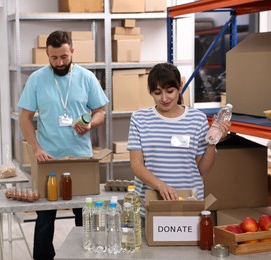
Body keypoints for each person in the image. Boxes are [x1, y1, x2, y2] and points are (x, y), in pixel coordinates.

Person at [18, 30, 109, 260]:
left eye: (64, 57)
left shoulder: (86, 77)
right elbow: (24, 117)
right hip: (49, 160)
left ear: (72, 52)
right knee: (45, 221)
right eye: (54, 58)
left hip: (81, 159)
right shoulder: (37, 79)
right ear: (47, 55)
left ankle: (85, 256)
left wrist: (89, 124)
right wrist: (36, 148)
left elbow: (100, 113)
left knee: (85, 219)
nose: (60, 62)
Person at [127, 63, 231, 221]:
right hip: (151, 204)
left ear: (180, 87)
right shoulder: (140, 119)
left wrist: (212, 142)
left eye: (170, 91)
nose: (164, 98)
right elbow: (136, 165)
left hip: (188, 204)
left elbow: (202, 170)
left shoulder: (197, 119)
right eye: (157, 92)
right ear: (150, 92)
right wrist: (160, 186)